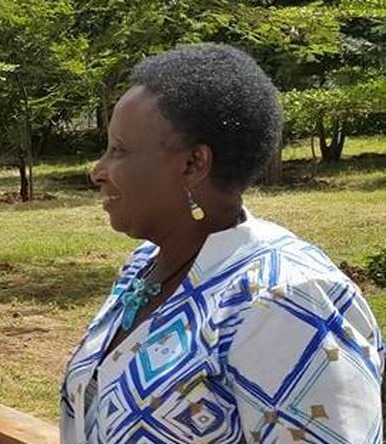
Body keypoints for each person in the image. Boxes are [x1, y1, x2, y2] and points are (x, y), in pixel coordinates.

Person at [61, 44, 383, 443]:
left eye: (119, 150)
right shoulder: (144, 266)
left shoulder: (284, 301)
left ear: (193, 164)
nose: (98, 171)